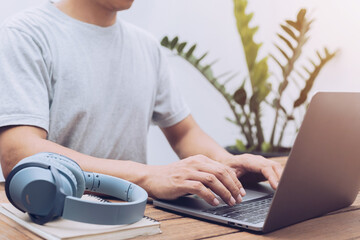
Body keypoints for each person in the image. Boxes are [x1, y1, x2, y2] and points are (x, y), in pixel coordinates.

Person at [0, 0, 282, 207]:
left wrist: (227, 164)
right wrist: (147, 176)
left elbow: (185, 133)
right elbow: (19, 153)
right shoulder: (25, 35)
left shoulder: (146, 46)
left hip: (137, 215)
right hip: (61, 215)